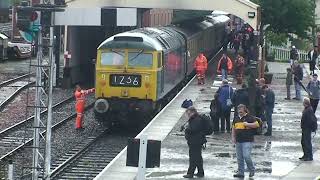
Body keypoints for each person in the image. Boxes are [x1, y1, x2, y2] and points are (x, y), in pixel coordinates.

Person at [232, 104, 260, 178]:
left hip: (248, 140)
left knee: (246, 156)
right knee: (239, 157)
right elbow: (233, 129)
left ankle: (251, 169)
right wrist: (233, 138)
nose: (240, 112)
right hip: (238, 140)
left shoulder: (250, 117)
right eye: (238, 110)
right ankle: (241, 172)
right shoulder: (236, 118)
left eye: (241, 110)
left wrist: (248, 124)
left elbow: (257, 125)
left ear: (245, 110)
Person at [183, 106, 206, 178]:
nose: (188, 115)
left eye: (189, 113)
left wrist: (186, 129)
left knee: (193, 157)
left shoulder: (196, 120)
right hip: (197, 140)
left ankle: (190, 173)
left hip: (195, 141)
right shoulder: (196, 119)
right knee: (198, 157)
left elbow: (193, 129)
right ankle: (200, 172)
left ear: (193, 112)